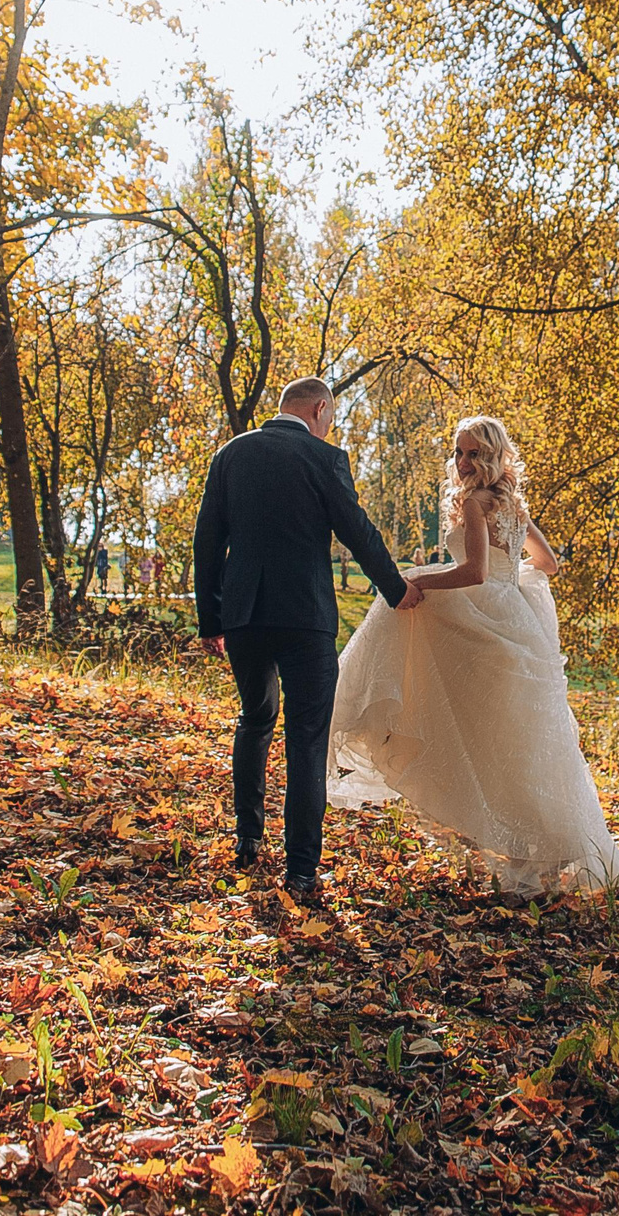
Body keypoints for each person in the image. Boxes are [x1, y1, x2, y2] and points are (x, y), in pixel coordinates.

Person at [327, 415, 619, 899]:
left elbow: (472, 572)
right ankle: (544, 851)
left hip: (488, 626)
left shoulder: (472, 503)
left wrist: (416, 582)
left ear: (492, 456)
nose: (463, 462)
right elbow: (547, 564)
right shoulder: (513, 506)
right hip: (516, 624)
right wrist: (512, 584)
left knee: (496, 742)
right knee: (518, 744)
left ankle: (530, 850)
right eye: (459, 452)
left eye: (473, 453)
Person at [195, 377, 423, 903]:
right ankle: (301, 869)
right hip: (306, 619)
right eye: (331, 417)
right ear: (320, 409)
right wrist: (396, 590)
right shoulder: (323, 459)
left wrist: (213, 620)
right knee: (305, 739)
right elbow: (357, 531)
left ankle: (248, 837)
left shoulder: (231, 454)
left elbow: (208, 539)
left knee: (255, 718)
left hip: (246, 617)